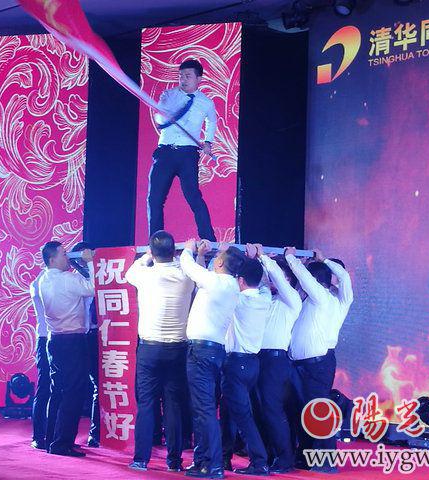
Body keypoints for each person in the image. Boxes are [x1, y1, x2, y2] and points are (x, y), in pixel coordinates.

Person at [126, 231, 194, 472]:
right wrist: (189, 252)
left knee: (146, 403)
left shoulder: (145, 274)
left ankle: (140, 459)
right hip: (177, 349)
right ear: (174, 251)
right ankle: (174, 461)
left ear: (153, 253)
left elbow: (129, 273)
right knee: (174, 404)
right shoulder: (186, 275)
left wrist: (146, 257)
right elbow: (192, 266)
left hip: (149, 349)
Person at [180, 240, 244, 479]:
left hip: (201, 352)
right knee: (202, 409)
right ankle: (202, 460)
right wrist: (202, 255)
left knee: (205, 410)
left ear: (219, 263)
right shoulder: (227, 284)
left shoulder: (217, 282)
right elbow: (201, 276)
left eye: (217, 256)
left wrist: (189, 248)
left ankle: (214, 465)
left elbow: (188, 266)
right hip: (212, 351)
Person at [285, 247, 352, 473]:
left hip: (318, 364)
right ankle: (305, 457)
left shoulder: (328, 299)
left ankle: (326, 461)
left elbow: (343, 278)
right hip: (301, 365)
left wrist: (292, 258)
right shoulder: (311, 301)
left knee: (318, 411)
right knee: (301, 411)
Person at [148, 59, 217, 241]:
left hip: (188, 155)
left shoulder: (206, 102)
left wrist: (208, 142)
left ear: (198, 79)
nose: (183, 80)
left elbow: (212, 121)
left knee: (193, 197)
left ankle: (208, 239)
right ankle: (156, 241)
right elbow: (159, 118)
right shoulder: (169, 95)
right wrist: (168, 114)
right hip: (165, 153)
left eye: (188, 76)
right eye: (180, 76)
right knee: (155, 199)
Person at [38, 241, 94, 457]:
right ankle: (62, 443)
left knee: (57, 391)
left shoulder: (43, 279)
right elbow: (93, 288)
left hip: (54, 341)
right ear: (52, 259)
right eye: (64, 254)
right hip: (72, 341)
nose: (68, 257)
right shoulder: (68, 279)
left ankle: (52, 439)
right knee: (73, 393)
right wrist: (89, 263)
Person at [220, 245, 271, 476]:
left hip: (235, 364)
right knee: (230, 412)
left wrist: (222, 257)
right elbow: (264, 282)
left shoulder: (238, 300)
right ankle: (224, 458)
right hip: (252, 365)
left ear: (240, 280)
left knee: (242, 416)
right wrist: (257, 259)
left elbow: (221, 284)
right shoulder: (264, 298)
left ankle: (259, 462)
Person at [257, 246, 302, 473]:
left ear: (289, 279)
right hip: (259, 359)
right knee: (262, 410)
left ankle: (285, 458)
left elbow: (276, 277)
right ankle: (269, 455)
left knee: (273, 410)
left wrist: (264, 257)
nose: (274, 280)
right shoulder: (268, 298)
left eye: (281, 277)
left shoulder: (292, 299)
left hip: (276, 361)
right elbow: (265, 280)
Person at [70, 241, 100, 448]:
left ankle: (96, 433)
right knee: (77, 385)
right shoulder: (72, 280)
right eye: (80, 259)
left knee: (101, 385)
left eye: (87, 258)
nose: (84, 262)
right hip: (80, 337)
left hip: (100, 336)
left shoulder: (104, 278)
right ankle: (69, 436)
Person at [29, 269, 49, 450]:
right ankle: (39, 436)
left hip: (61, 337)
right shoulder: (40, 281)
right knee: (44, 388)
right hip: (45, 338)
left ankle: (54, 434)